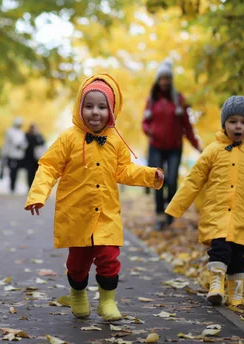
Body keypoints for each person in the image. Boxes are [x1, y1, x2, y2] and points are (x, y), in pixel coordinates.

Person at [24, 74, 164, 321]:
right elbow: (48, 166)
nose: (95, 112)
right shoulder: (68, 138)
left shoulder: (115, 141)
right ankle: (77, 294)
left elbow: (124, 170)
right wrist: (38, 194)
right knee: (77, 265)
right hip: (76, 214)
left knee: (109, 259)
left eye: (102, 106)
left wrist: (150, 175)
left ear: (111, 110)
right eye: (89, 106)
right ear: (80, 108)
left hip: (106, 213)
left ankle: (107, 302)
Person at [165, 96, 244, 306]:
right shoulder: (212, 151)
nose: (238, 126)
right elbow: (193, 180)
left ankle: (236, 295)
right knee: (219, 249)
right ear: (224, 124)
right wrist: (176, 208)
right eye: (233, 121)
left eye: (243, 121)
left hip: (243, 215)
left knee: (238, 258)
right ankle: (216, 285)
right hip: (217, 214)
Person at [142, 58, 202, 231]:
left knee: (172, 179)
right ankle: (160, 214)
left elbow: (187, 126)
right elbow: (144, 123)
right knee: (158, 179)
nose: (164, 82)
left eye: (167, 78)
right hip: (156, 146)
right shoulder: (152, 100)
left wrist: (197, 145)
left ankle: (169, 212)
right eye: (162, 78)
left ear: (171, 80)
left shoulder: (179, 100)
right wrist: (149, 131)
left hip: (175, 146)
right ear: (158, 80)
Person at [0, 117, 28, 193]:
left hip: (20, 155)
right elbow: (15, 142)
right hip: (12, 155)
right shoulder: (10, 131)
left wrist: (23, 146)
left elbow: (24, 143)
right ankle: (12, 186)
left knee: (17, 171)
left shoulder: (21, 132)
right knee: (12, 171)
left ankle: (14, 185)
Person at [24, 123, 45, 188]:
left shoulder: (39, 136)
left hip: (37, 158)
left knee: (37, 173)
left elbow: (42, 143)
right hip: (29, 158)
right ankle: (29, 187)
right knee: (30, 173)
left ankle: (35, 186)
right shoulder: (27, 135)